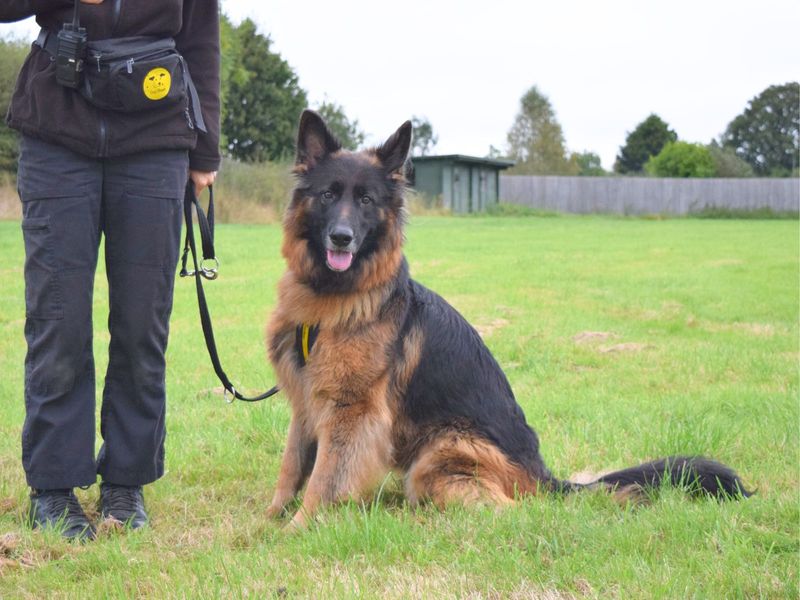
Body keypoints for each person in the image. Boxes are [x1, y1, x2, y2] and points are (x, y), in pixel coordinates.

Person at [1, 0, 220, 540]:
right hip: (58, 131)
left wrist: (206, 150)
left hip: (155, 135)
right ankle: (53, 488)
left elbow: (201, 40)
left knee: (143, 324)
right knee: (58, 319)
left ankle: (127, 481)